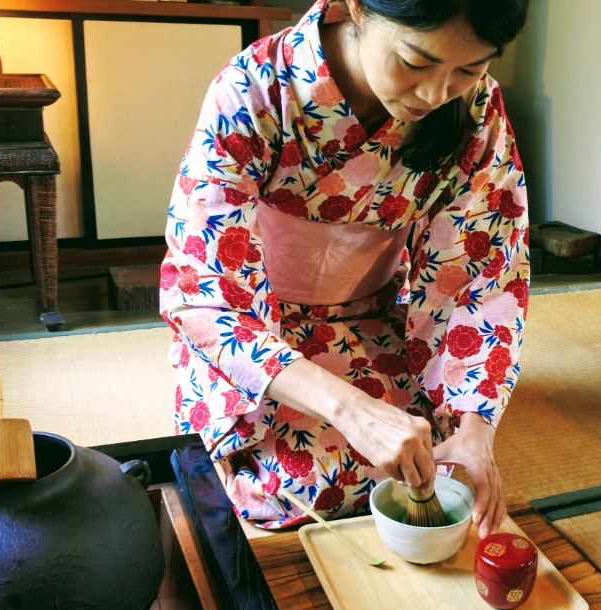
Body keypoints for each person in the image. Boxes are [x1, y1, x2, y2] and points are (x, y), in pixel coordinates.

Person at [160, 0, 529, 539]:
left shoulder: (477, 109)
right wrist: (350, 409)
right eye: (416, 61)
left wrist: (476, 427)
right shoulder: (257, 87)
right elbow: (203, 289)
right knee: (306, 483)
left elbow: (481, 272)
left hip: (371, 312)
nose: (434, 94)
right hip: (259, 330)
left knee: (435, 462)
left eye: (469, 69)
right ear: (356, 6)